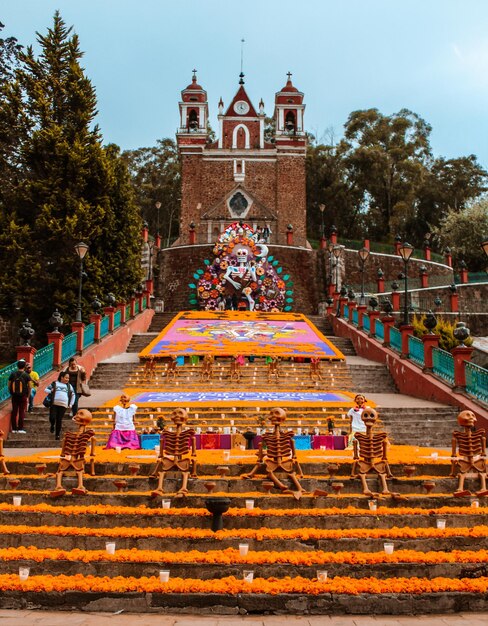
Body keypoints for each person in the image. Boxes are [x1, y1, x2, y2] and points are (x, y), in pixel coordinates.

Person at [45, 372, 75, 440]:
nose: (67, 379)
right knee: (52, 417)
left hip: (63, 405)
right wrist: (51, 391)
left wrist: (71, 404)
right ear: (61, 377)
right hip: (54, 404)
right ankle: (52, 425)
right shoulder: (55, 383)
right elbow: (46, 390)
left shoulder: (69, 386)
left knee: (59, 420)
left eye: (68, 378)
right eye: (66, 378)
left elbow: (73, 395)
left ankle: (57, 435)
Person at [8, 360, 31, 434]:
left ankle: (14, 429)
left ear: (17, 366)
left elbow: (9, 385)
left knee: (14, 411)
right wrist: (28, 396)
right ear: (24, 366)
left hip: (14, 396)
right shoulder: (26, 375)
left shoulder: (13, 374)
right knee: (21, 412)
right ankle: (20, 428)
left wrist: (11, 393)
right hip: (23, 396)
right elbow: (30, 386)